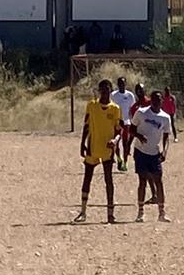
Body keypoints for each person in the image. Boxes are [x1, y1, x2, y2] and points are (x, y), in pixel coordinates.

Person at [75, 79, 125, 223]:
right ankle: (83, 212)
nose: (105, 92)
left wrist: (115, 141)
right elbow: (86, 125)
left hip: (108, 149)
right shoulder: (92, 106)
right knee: (87, 178)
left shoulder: (115, 108)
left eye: (107, 89)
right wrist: (82, 143)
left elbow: (119, 130)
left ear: (110, 90)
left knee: (108, 180)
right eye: (102, 89)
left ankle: (110, 214)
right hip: (93, 147)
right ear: (99, 91)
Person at [131, 90, 174, 222]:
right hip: (141, 151)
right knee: (142, 181)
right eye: (154, 100)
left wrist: (165, 151)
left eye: (159, 100)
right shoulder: (141, 113)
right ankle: (140, 212)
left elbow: (167, 136)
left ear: (162, 102)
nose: (156, 103)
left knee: (158, 181)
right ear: (151, 101)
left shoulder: (165, 117)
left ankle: (161, 212)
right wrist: (139, 136)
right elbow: (132, 129)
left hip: (154, 153)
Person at [112, 81, 139, 171]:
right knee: (115, 142)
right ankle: (119, 158)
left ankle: (125, 162)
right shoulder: (113, 95)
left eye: (123, 84)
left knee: (125, 143)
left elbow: (133, 108)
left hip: (127, 122)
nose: (121, 85)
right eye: (120, 84)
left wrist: (134, 120)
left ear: (125, 84)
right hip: (116, 122)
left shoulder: (130, 95)